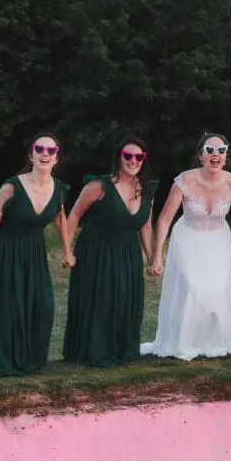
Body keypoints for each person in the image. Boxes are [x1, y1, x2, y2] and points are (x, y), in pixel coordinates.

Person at [141, 132, 231, 360]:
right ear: (200, 155)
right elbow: (164, 218)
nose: (215, 155)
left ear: (226, 157)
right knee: (192, 287)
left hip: (218, 240)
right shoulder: (184, 180)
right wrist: (158, 256)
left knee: (218, 290)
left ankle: (214, 341)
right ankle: (185, 341)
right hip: (187, 238)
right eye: (210, 150)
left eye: (221, 150)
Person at [0, 133, 73, 377]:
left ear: (56, 158)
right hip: (4, 254)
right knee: (8, 309)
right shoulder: (11, 187)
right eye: (40, 149)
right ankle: (2, 362)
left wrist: (67, 251)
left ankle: (30, 360)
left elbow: (60, 217)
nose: (45, 154)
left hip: (34, 255)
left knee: (42, 307)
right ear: (31, 154)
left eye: (51, 151)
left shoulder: (59, 189)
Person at [62, 137, 158, 366]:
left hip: (128, 253)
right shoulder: (98, 186)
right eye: (128, 156)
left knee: (125, 300)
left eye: (139, 157)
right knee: (100, 300)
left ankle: (121, 351)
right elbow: (74, 215)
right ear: (119, 158)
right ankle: (93, 352)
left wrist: (153, 258)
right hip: (96, 251)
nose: (133, 161)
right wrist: (67, 251)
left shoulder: (146, 190)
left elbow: (145, 227)